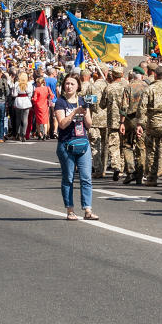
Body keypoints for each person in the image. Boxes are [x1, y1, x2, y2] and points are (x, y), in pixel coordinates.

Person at [53, 74, 98, 220]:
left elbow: (89, 124)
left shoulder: (83, 101)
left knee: (86, 178)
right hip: (66, 144)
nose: (69, 87)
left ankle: (88, 210)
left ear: (78, 86)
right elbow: (62, 124)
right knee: (68, 178)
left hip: (83, 143)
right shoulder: (60, 103)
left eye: (72, 84)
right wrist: (74, 112)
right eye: (67, 84)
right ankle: (70, 210)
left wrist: (85, 113)